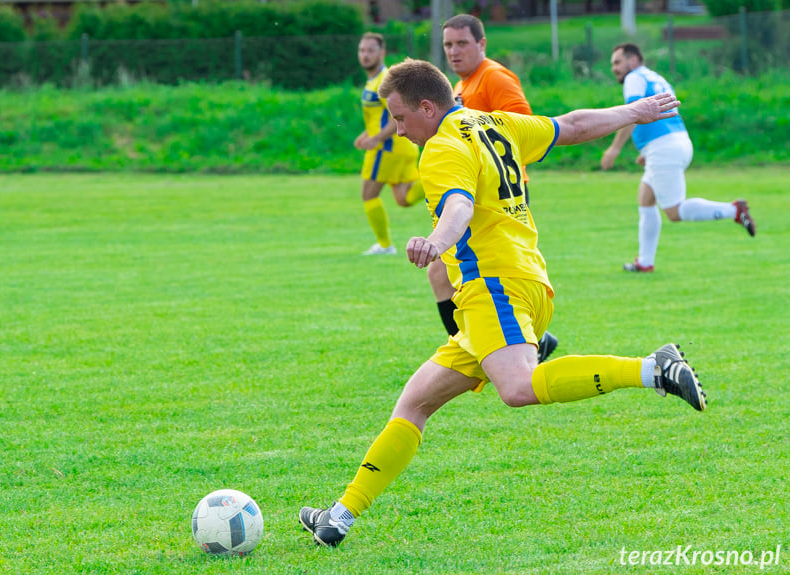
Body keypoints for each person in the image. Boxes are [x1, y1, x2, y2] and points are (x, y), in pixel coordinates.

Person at [299, 58, 707, 548]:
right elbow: (571, 125)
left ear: (427, 107)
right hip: (522, 284)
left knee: (517, 387)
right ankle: (338, 517)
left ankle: (652, 368)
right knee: (413, 405)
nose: (399, 129)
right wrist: (633, 111)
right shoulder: (490, 122)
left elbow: (459, 206)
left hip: (493, 287)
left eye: (402, 118)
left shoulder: (441, 148)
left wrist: (436, 240)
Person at [431, 13, 558, 362]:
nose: (454, 52)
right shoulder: (459, 87)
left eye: (462, 44)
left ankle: (476, 354)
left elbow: (522, 128)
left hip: (499, 197)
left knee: (445, 271)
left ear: (482, 44)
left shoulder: (495, 77)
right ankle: (519, 343)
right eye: (448, 45)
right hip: (473, 197)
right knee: (447, 273)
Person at [601, 43, 756, 273]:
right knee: (645, 197)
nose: (614, 68)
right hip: (676, 141)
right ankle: (645, 262)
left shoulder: (634, 77)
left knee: (674, 212)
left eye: (617, 62)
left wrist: (614, 148)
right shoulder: (655, 77)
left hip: (664, 147)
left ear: (633, 60)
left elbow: (632, 114)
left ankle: (734, 210)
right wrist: (649, 152)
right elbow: (663, 114)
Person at [354, 32, 425, 255]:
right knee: (404, 199)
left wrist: (376, 138)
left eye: (370, 51)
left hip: (388, 148)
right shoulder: (375, 80)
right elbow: (382, 116)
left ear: (382, 53)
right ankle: (435, 176)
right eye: (362, 50)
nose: (365, 55)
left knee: (368, 194)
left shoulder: (385, 82)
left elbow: (399, 116)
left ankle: (385, 246)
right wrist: (367, 133)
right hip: (399, 147)